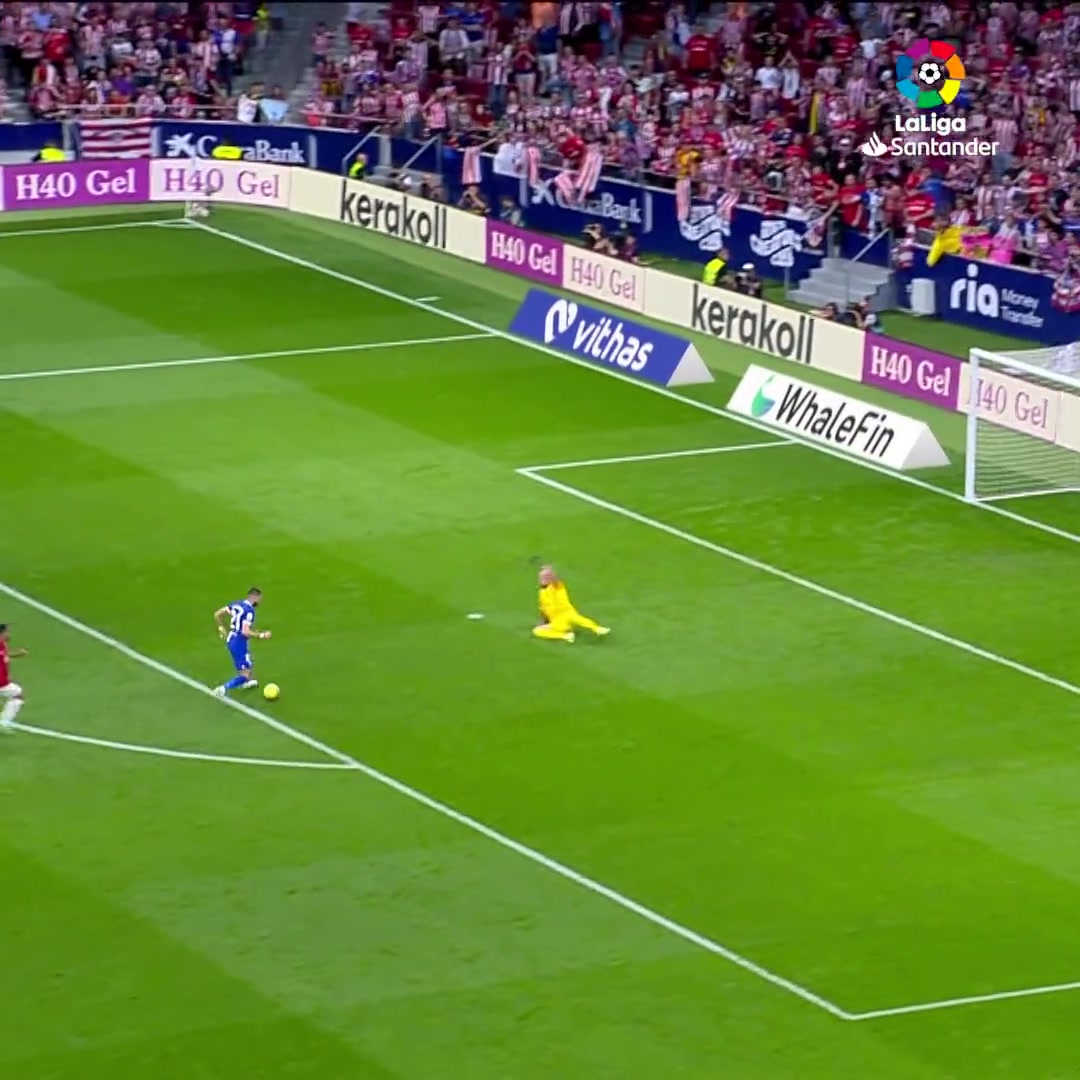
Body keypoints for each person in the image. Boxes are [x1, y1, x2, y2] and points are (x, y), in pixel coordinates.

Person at [212, 587, 271, 697]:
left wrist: (221, 627)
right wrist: (262, 635)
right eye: (259, 599)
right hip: (239, 642)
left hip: (232, 638)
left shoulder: (236, 604)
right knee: (245, 674)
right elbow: (245, 632)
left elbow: (217, 614)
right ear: (254, 597)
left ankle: (247, 682)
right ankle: (223, 688)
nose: (260, 601)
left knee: (246, 665)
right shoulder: (249, 611)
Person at [532, 565, 610, 644]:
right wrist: (543, 623)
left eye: (545, 577)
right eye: (541, 577)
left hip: (569, 614)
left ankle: (596, 628)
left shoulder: (556, 586)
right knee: (537, 631)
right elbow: (543, 610)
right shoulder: (541, 593)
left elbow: (556, 580)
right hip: (559, 621)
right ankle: (565, 635)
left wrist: (551, 572)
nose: (543, 579)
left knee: (581, 620)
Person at [0, 624, 28, 734]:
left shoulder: (2, 645)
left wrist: (17, 654)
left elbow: (4, 655)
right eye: (7, 632)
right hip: (1, 683)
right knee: (18, 695)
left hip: (3, 682)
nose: (9, 634)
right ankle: (3, 724)